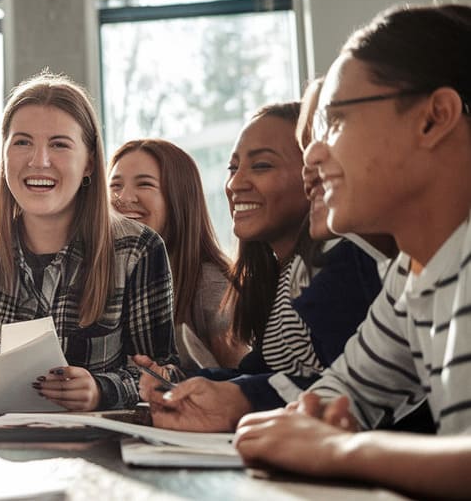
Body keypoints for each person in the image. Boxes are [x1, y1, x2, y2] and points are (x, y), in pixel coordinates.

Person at [234, 4, 471, 499]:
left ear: (434, 119)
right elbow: (345, 391)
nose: (314, 157)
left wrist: (341, 450)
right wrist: (305, 424)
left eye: (335, 123)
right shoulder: (411, 276)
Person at [0, 72, 178, 412]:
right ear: (4, 156)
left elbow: (164, 373)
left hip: (101, 450)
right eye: (22, 142)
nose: (38, 161)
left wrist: (102, 390)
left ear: (88, 163)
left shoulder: (138, 251)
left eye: (59, 144)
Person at [139, 98, 386, 431]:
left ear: (315, 173)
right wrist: (185, 382)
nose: (235, 183)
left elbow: (353, 388)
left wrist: (244, 397)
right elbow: (262, 372)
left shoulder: (339, 259)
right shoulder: (285, 273)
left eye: (262, 166)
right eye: (233, 167)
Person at [109, 139, 246, 369]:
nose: (123, 198)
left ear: (178, 199)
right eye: (115, 185)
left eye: (144, 184)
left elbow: (244, 381)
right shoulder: (99, 277)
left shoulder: (209, 283)